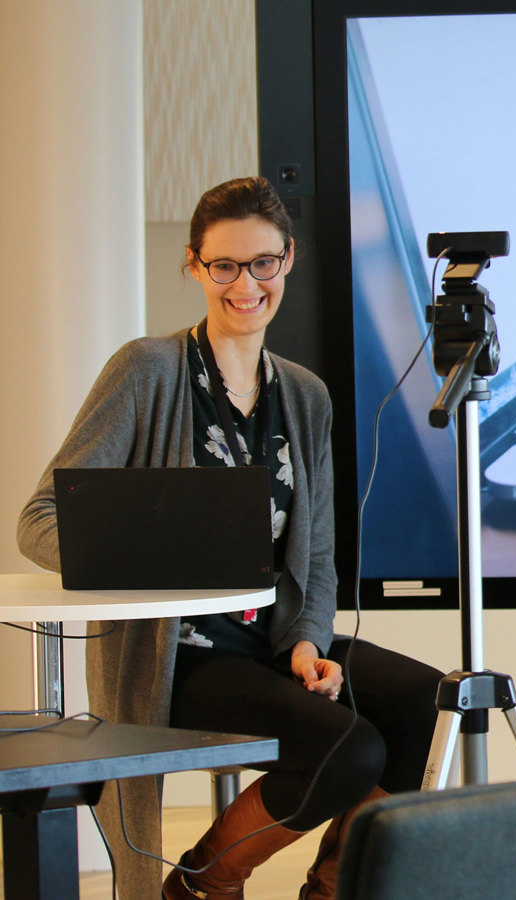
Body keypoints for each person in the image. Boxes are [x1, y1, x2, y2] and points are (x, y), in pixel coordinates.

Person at [16, 176, 442, 900]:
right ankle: (201, 885)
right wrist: (141, 562)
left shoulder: (305, 394)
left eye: (263, 263)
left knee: (429, 703)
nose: (246, 285)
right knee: (349, 748)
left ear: (288, 259)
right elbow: (40, 519)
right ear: (194, 266)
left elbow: (314, 556)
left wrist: (306, 643)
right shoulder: (147, 370)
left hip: (272, 642)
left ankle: (335, 889)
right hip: (176, 659)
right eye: (224, 266)